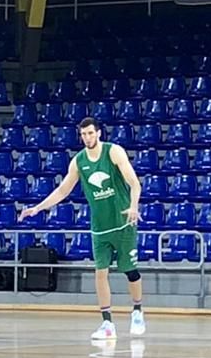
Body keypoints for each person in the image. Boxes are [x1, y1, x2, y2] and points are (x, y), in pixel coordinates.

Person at [18, 117, 144, 341]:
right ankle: (107, 323)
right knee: (100, 272)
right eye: (83, 134)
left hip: (124, 223)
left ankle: (137, 311)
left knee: (129, 271)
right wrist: (37, 208)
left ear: (99, 133)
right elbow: (62, 191)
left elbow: (134, 183)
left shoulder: (114, 152)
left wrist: (133, 206)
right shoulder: (78, 161)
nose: (87, 138)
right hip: (100, 227)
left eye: (90, 133)